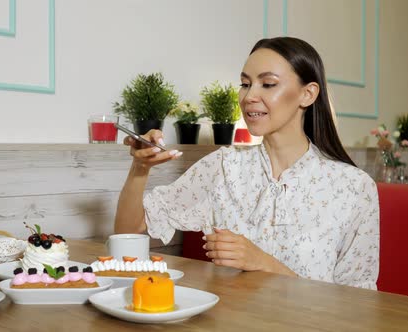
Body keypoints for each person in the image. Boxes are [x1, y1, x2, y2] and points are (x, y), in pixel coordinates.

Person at [114, 37, 379, 290]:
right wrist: (140, 168)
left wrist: (263, 264)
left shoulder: (353, 188)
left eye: (268, 84)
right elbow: (128, 231)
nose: (249, 96)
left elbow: (358, 304)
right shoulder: (223, 167)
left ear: (307, 94)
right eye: (245, 84)